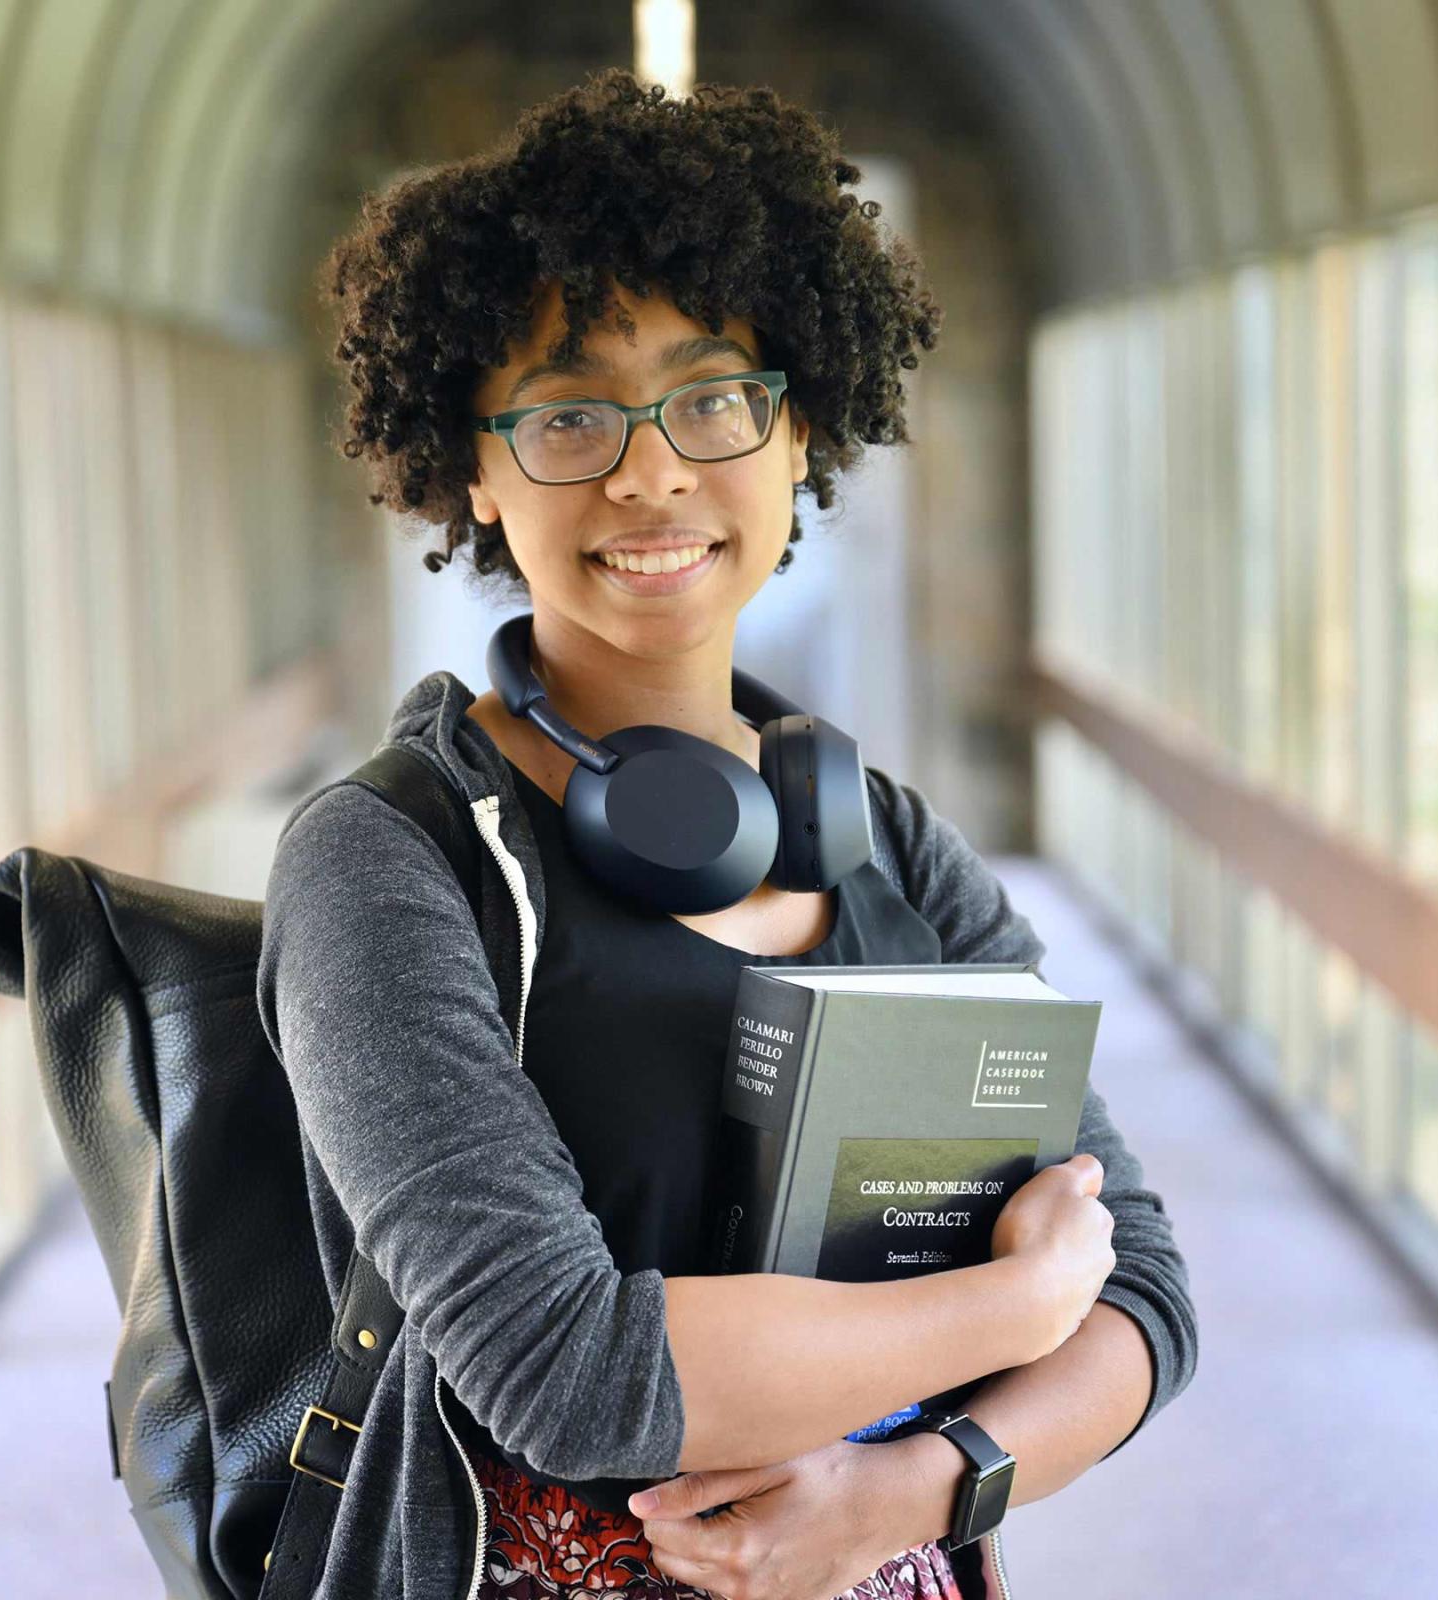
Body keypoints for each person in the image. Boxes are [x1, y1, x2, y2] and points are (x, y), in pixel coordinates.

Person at [258, 68, 1198, 1600]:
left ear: (797, 430)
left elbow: (1145, 1295)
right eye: (567, 414)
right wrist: (1018, 1307)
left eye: (711, 397)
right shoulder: (391, 861)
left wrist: (909, 1490)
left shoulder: (886, 839)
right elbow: (570, 1373)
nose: (649, 470)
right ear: (477, 470)